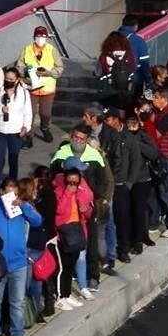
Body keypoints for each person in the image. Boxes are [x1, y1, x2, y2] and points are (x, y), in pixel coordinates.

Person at [0, 178, 42, 336]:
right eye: (8, 193)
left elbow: (38, 221)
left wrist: (23, 205)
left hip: (19, 263)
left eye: (15, 193)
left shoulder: (22, 207)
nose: (11, 196)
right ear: (1, 192)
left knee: (17, 302)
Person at [50, 125, 107, 292]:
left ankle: (92, 277)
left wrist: (95, 200)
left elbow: (102, 181)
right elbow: (53, 175)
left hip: (86, 212)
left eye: (81, 139)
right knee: (68, 249)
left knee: (91, 245)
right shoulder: (62, 154)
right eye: (75, 137)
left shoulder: (94, 156)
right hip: (67, 215)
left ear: (87, 140)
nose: (77, 141)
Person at [100, 109, 141, 264]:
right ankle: (109, 252)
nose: (107, 123)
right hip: (109, 184)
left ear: (117, 120)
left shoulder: (129, 138)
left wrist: (129, 182)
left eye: (109, 120)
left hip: (122, 184)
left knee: (122, 218)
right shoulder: (106, 136)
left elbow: (135, 161)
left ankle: (123, 249)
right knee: (109, 220)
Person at [52, 165, 94, 311]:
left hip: (77, 231)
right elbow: (59, 211)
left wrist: (86, 209)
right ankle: (60, 296)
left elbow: (88, 213)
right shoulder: (59, 192)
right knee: (63, 267)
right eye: (70, 182)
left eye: (75, 183)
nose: (72, 185)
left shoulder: (81, 193)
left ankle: (67, 293)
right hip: (63, 233)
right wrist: (68, 194)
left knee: (71, 265)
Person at [143, 89, 168, 237]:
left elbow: (156, 135)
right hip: (159, 156)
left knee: (167, 192)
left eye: (156, 98)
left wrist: (149, 121)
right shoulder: (161, 112)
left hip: (166, 157)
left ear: (164, 99)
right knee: (159, 191)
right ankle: (155, 221)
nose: (153, 100)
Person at [17, 26, 62, 144]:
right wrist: (26, 72)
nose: (40, 39)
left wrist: (49, 72)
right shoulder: (27, 49)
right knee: (30, 113)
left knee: (45, 113)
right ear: (34, 37)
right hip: (31, 86)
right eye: (38, 36)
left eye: (42, 36)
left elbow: (59, 67)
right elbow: (19, 65)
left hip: (47, 87)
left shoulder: (52, 50)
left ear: (46, 37)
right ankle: (29, 136)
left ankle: (44, 127)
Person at [25, 170, 57, 322]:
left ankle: (41, 308)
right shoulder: (32, 204)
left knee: (40, 278)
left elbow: (42, 221)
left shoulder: (39, 202)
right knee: (37, 281)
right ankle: (37, 311)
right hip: (36, 246)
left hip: (37, 246)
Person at [123, 114, 157, 254]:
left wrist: (136, 143)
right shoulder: (122, 137)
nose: (131, 126)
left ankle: (139, 240)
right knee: (129, 210)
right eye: (129, 123)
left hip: (142, 179)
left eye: (134, 123)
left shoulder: (143, 136)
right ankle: (133, 238)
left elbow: (153, 153)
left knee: (140, 210)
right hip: (127, 179)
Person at [0, 67, 32, 182]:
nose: (8, 81)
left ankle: (13, 186)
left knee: (13, 160)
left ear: (17, 80)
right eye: (7, 78)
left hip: (15, 132)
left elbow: (27, 113)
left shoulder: (24, 93)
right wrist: (0, 111)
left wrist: (26, 127)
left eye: (11, 79)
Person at [96, 31, 135, 109]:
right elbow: (132, 69)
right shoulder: (129, 54)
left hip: (108, 90)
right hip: (125, 88)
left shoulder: (105, 54)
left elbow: (101, 71)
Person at [118, 15, 151, 97]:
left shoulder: (112, 38)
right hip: (134, 80)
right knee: (132, 105)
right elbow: (144, 64)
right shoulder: (138, 41)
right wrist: (148, 81)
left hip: (114, 79)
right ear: (135, 26)